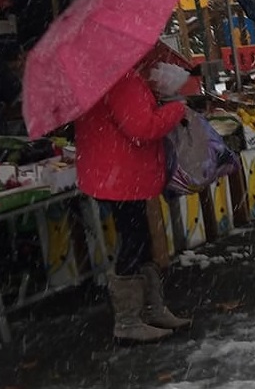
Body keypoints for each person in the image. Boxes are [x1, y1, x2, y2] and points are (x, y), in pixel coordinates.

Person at [74, 52, 191, 343]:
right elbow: (142, 128)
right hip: (122, 176)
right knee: (134, 241)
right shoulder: (122, 80)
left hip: (116, 174)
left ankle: (151, 309)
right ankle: (128, 322)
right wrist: (176, 109)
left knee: (140, 239)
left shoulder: (104, 78)